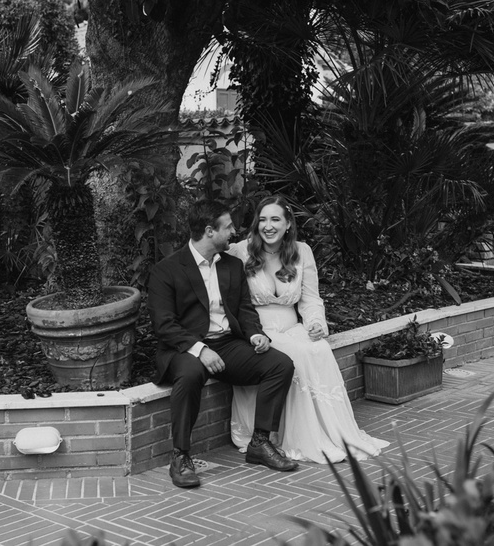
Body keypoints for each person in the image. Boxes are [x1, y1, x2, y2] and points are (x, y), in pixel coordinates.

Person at [147, 199, 299, 488]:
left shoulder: (232, 264)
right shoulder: (166, 270)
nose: (234, 231)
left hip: (228, 344)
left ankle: (260, 442)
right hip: (185, 348)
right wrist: (200, 350)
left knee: (280, 365)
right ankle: (181, 456)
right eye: (228, 227)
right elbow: (164, 326)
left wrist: (255, 334)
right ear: (209, 231)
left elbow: (244, 309)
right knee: (190, 374)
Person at [226, 196, 389, 463]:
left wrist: (315, 323)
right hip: (258, 330)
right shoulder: (242, 252)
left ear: (288, 224)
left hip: (293, 326)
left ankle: (332, 433)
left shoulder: (302, 252)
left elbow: (311, 298)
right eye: (263, 220)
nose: (268, 226)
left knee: (319, 347)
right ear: (256, 224)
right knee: (299, 355)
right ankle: (297, 438)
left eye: (275, 219)